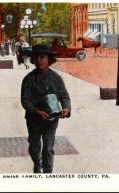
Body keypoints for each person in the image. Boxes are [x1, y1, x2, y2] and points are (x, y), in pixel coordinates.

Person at [21, 44, 71, 173]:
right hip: (34, 120)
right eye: (36, 57)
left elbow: (65, 96)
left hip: (52, 119)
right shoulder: (28, 79)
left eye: (42, 57)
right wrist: (36, 111)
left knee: (48, 148)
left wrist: (66, 109)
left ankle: (48, 173)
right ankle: (37, 164)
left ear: (49, 59)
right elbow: (25, 101)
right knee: (34, 146)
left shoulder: (56, 78)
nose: (39, 60)